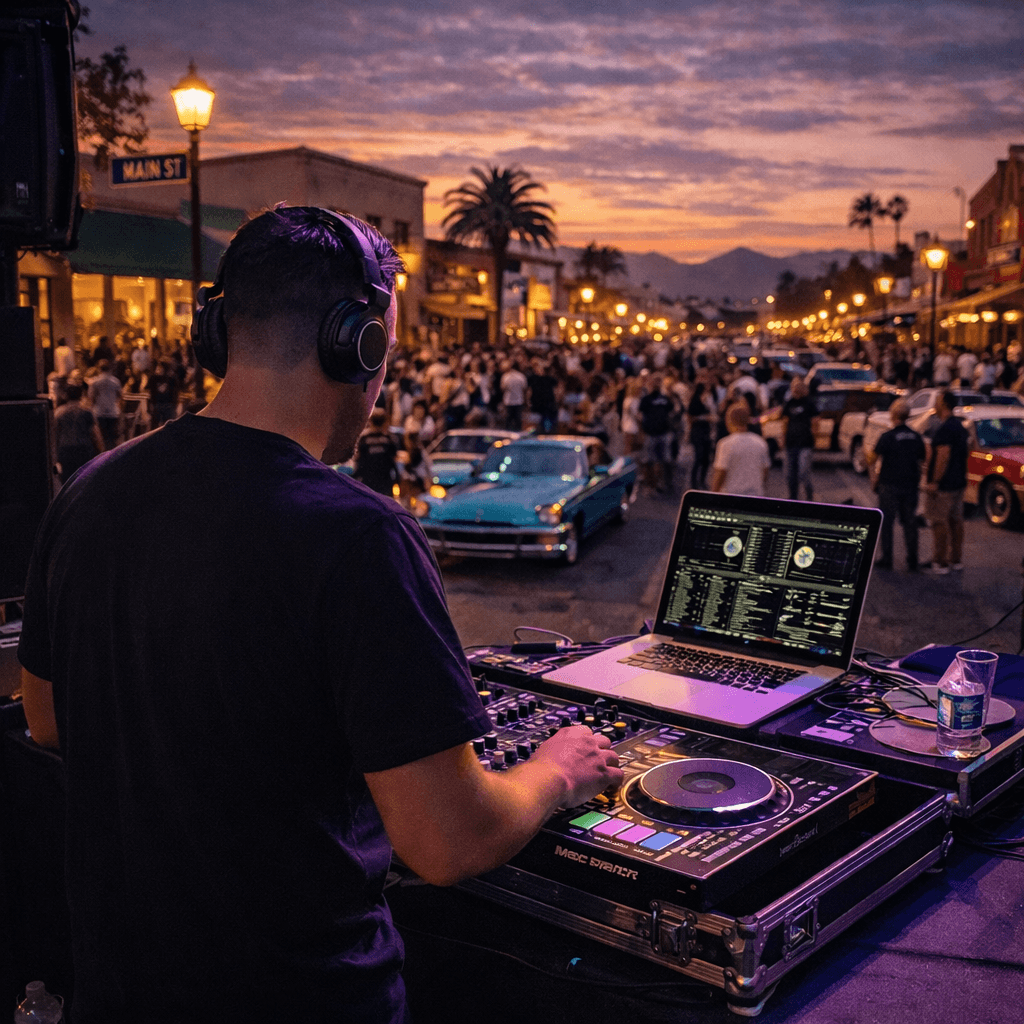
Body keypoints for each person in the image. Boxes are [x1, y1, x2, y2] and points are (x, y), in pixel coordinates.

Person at [17, 206, 622, 1024]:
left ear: (217, 331)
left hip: (117, 993)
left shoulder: (90, 491)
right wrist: (557, 770)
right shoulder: (360, 535)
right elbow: (448, 842)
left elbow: (48, 720)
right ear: (357, 343)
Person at [867, 398, 926, 571]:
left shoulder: (887, 437)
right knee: (910, 523)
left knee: (887, 523)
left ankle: (887, 558)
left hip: (889, 484)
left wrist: (874, 479)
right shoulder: (916, 437)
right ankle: (912, 560)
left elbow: (872, 459)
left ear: (893, 415)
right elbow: (922, 460)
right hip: (910, 485)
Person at [923, 388, 969, 574]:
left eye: (937, 400)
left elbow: (943, 456)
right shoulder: (959, 427)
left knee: (939, 522)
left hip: (944, 486)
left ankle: (940, 562)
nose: (934, 403)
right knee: (956, 522)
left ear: (943, 403)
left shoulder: (945, 429)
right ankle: (956, 559)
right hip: (958, 482)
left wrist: (934, 481)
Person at [711, 401, 771, 496]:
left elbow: (720, 474)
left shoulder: (725, 444)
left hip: (731, 496)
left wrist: (713, 494)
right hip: (755, 495)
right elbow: (765, 471)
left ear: (729, 421)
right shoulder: (760, 442)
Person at [52, 378, 103, 483]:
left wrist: (54, 455)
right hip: (84, 450)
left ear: (66, 395)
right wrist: (100, 450)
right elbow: (95, 433)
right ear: (81, 395)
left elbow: (55, 434)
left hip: (65, 451)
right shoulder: (86, 411)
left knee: (67, 481)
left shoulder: (58, 413)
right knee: (84, 480)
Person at [780, 377, 818, 502]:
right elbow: (785, 421)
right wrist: (783, 437)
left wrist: (814, 437)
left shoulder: (809, 403)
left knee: (803, 472)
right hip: (791, 442)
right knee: (790, 474)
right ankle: (793, 498)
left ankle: (809, 497)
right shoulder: (789, 403)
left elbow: (815, 421)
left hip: (805, 442)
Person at [353, 406, 400, 496]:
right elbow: (394, 459)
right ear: (385, 423)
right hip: (385, 482)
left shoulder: (363, 439)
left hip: (367, 481)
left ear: (370, 422)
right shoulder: (389, 439)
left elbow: (357, 458)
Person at [86, 358, 123, 449]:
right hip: (113, 412)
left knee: (101, 439)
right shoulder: (116, 382)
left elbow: (91, 398)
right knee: (112, 439)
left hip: (99, 413)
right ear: (110, 369)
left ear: (99, 369)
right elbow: (120, 397)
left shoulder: (95, 382)